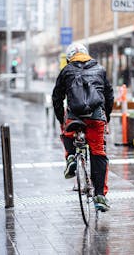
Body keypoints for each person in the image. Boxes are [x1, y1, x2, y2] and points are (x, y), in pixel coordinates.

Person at [52, 43, 114, 212]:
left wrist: (61, 121)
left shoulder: (66, 71)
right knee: (98, 153)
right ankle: (100, 195)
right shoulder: (100, 69)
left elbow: (57, 98)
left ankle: (71, 156)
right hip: (96, 117)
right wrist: (105, 118)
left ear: (69, 58)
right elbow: (109, 96)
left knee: (68, 132)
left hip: (75, 116)